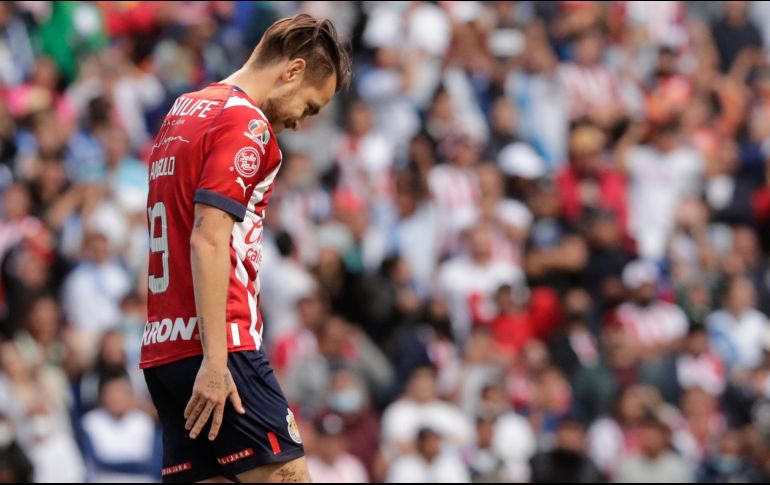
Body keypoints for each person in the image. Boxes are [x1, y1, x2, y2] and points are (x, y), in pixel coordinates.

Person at [140, 14, 351, 483]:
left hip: (165, 350)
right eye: (311, 106)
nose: (299, 123)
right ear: (292, 71)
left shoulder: (184, 109)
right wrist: (217, 362)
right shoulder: (247, 125)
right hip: (221, 350)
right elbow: (209, 236)